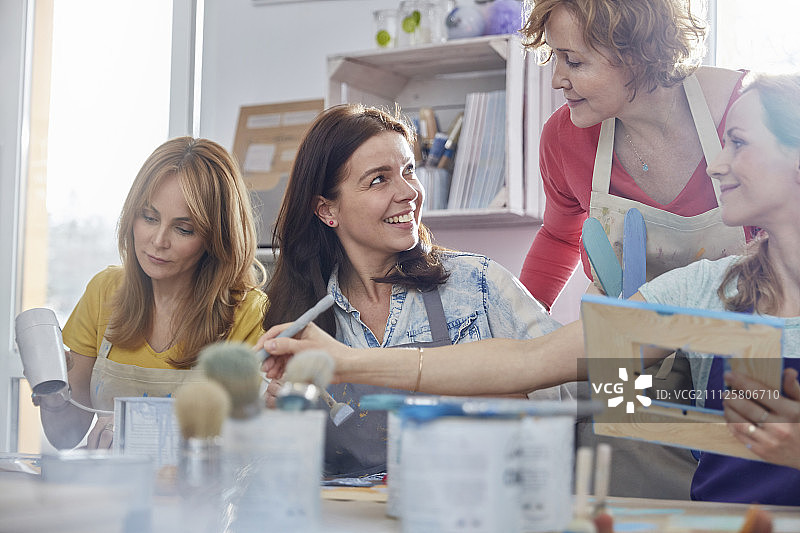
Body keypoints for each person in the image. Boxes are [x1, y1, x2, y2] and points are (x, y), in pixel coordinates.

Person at [259, 73, 800, 505]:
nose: (717, 162)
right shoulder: (699, 291)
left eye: (739, 142)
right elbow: (564, 376)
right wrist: (706, 414)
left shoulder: (476, 282)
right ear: (326, 209)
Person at [260, 103, 559, 478]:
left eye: (408, 171)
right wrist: (280, 425)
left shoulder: (479, 285)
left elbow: (566, 395)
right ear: (326, 210)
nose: (409, 192)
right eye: (378, 180)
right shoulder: (298, 320)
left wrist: (465, 390)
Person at [518, 0, 751, 307]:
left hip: (752, 345)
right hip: (629, 348)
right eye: (555, 57)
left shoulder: (748, 113)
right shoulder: (563, 137)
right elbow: (559, 238)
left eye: (573, 61)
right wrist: (516, 330)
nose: (556, 80)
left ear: (640, 53)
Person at [40, 137, 268, 450]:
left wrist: (139, 431)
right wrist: (52, 394)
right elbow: (65, 435)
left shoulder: (249, 314)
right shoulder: (103, 292)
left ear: (216, 237)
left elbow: (250, 445)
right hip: (112, 490)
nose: (158, 240)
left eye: (184, 228)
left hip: (200, 494)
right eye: (149, 217)